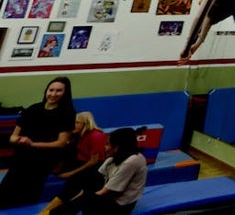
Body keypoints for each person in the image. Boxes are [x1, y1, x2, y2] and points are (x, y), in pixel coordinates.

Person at [0, 78, 75, 208]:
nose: (53, 94)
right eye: (51, 90)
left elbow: (61, 143)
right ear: (46, 91)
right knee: (6, 191)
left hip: (42, 161)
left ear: (65, 93)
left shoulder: (67, 113)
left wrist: (33, 144)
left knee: (27, 196)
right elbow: (14, 136)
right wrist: (17, 140)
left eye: (59, 91)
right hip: (21, 157)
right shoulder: (33, 109)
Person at [55, 128, 146, 215]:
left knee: (86, 199)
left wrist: (83, 198)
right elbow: (95, 179)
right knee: (84, 179)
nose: (104, 148)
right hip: (111, 193)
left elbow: (105, 191)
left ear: (116, 148)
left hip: (121, 204)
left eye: (107, 144)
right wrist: (82, 192)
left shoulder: (132, 161)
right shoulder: (112, 159)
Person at [38, 114, 107, 215]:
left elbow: (93, 161)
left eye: (76, 123)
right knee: (69, 189)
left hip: (93, 168)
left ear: (85, 123)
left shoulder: (96, 136)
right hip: (81, 163)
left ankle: (48, 213)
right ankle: (45, 212)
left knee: (73, 189)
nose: (73, 125)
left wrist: (71, 173)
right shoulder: (79, 135)